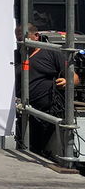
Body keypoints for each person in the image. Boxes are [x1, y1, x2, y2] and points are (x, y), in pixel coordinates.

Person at [15, 24, 79, 156]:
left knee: (43, 149)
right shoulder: (17, 55)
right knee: (27, 149)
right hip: (25, 111)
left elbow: (75, 78)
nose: (22, 42)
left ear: (36, 36)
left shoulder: (51, 53)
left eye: (25, 38)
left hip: (48, 111)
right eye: (19, 39)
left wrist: (67, 82)